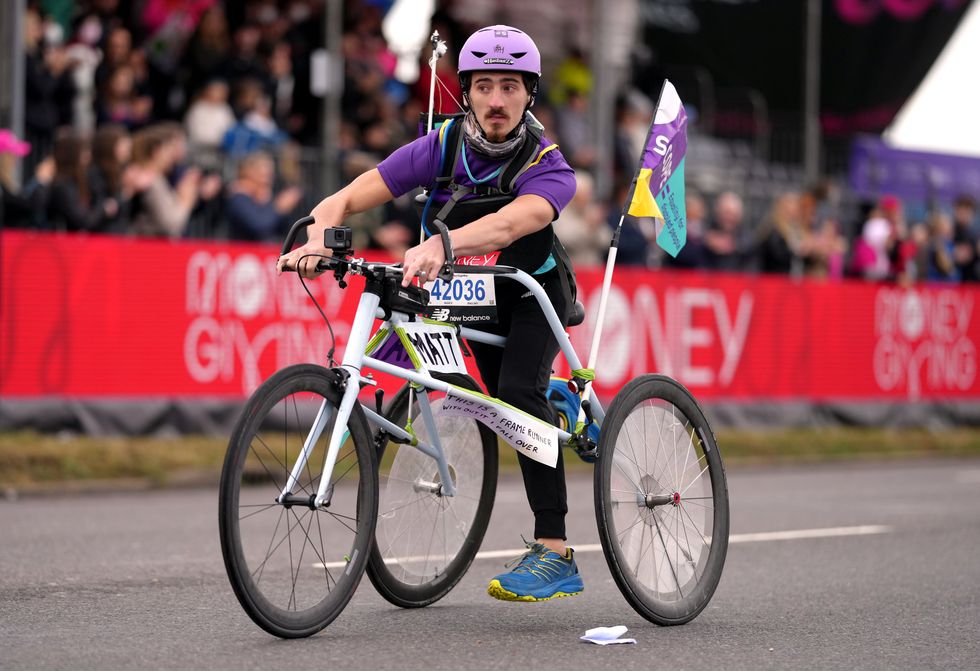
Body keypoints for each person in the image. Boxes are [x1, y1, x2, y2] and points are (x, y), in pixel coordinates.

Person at [278, 25, 583, 603]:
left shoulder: (549, 162)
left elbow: (516, 222)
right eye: (485, 86)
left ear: (529, 95)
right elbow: (346, 196)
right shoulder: (440, 146)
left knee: (516, 398)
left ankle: (556, 550)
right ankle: (371, 525)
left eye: (511, 87)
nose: (497, 100)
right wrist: (318, 238)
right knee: (427, 381)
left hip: (526, 298)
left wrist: (444, 245)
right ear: (464, 91)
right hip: (459, 294)